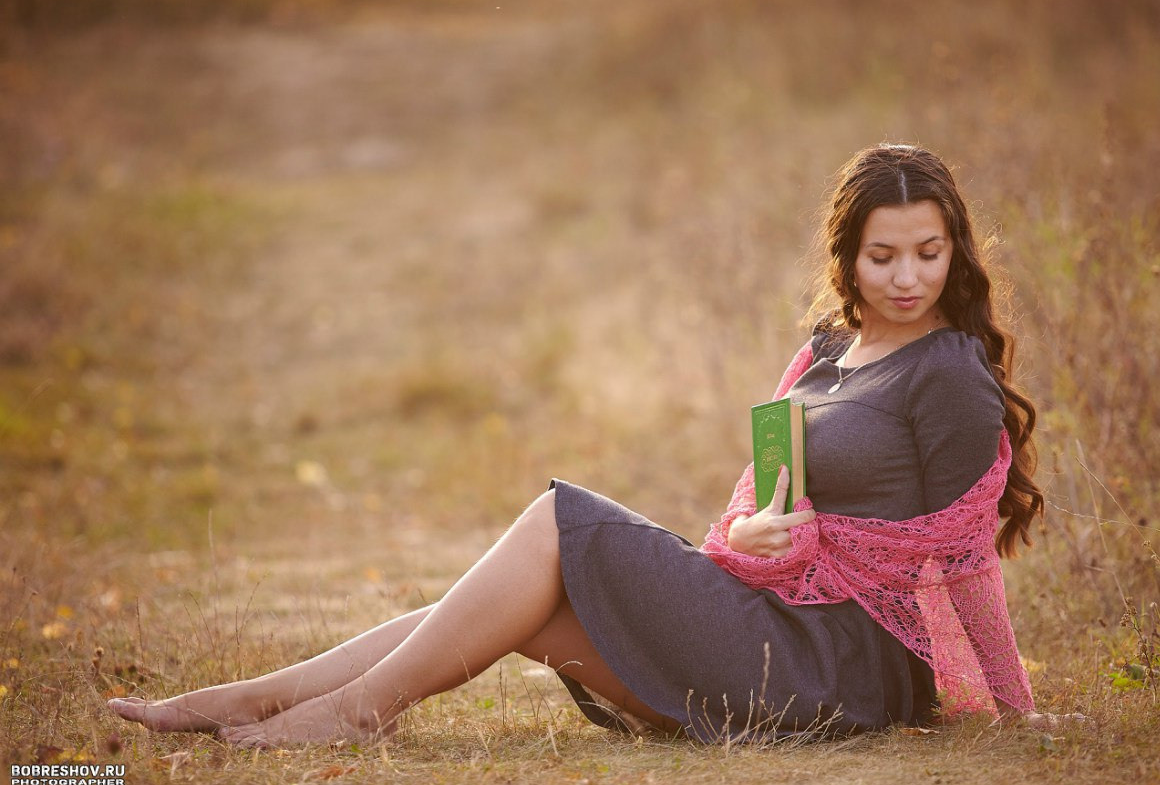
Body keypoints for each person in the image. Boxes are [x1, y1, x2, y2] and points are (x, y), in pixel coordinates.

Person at [107, 144, 1074, 748]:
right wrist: (757, 534)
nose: (906, 277)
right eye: (882, 254)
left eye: (928, 253)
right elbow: (761, 504)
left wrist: (1016, 707)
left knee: (558, 520)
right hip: (772, 618)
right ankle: (250, 699)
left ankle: (353, 714)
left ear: (955, 252)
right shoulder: (827, 351)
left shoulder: (948, 373)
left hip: (842, 665)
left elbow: (963, 559)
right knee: (518, 608)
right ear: (848, 257)